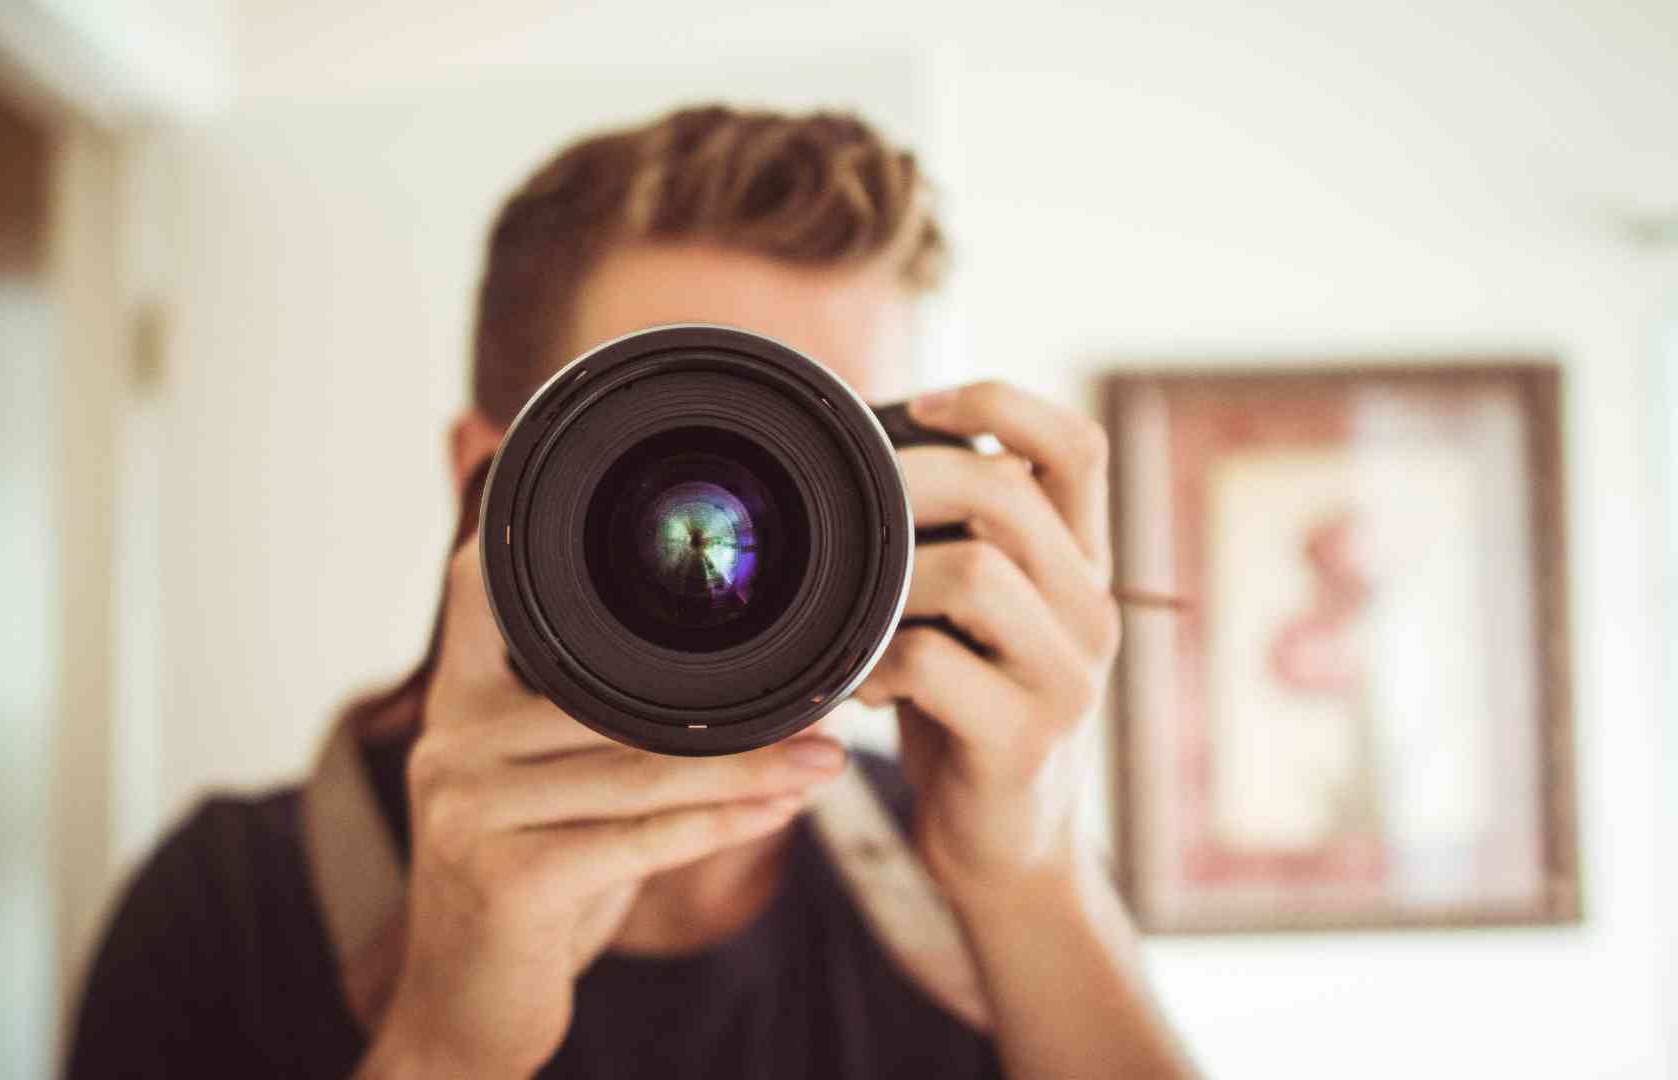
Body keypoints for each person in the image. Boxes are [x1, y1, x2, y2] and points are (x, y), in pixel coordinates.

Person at [67, 104, 1197, 1080]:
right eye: (674, 427)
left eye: (827, 447)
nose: (774, 528)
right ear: (485, 481)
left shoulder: (977, 867)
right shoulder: (229, 906)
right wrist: (449, 1044)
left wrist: (1029, 876)